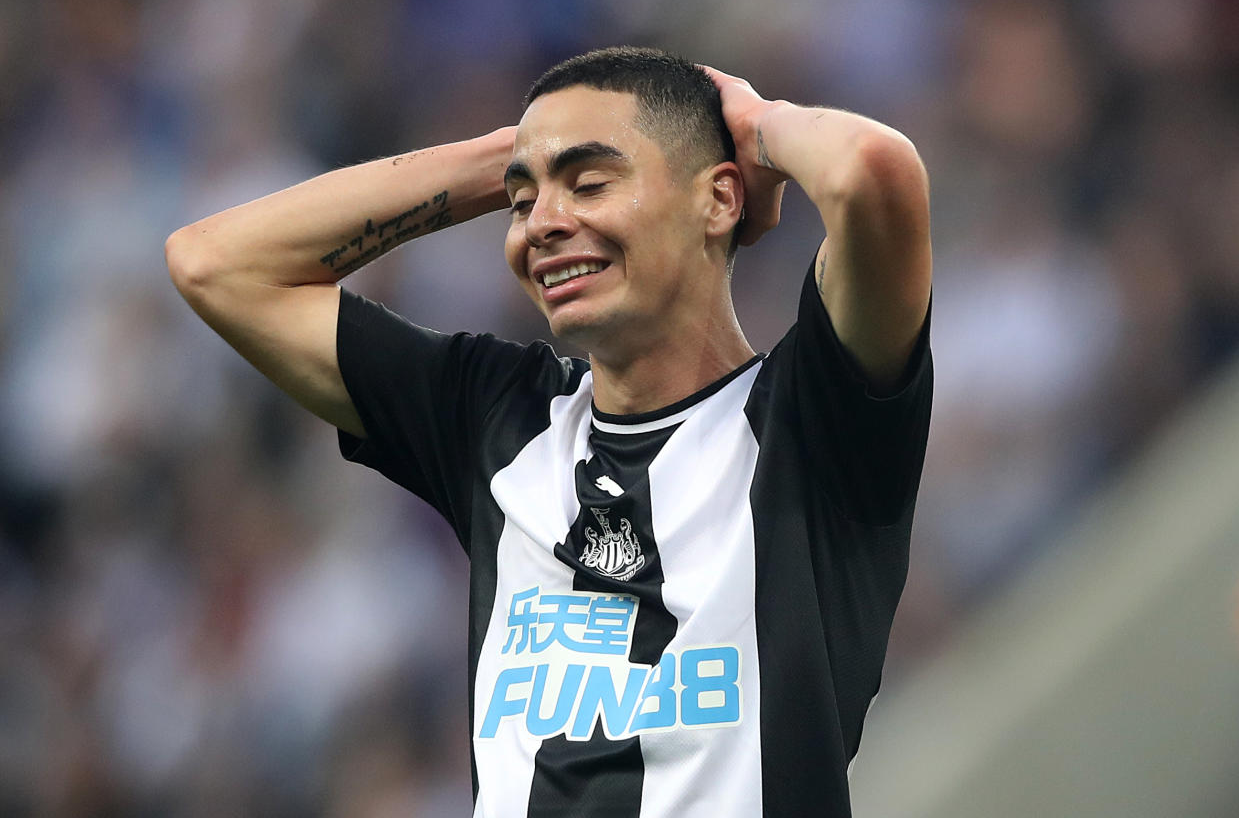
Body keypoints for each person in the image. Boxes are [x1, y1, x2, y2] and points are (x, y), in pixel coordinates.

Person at [166, 46, 932, 818]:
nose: (542, 226)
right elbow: (214, 263)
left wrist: (754, 125)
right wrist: (519, 150)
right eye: (522, 203)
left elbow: (873, 168)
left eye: (592, 182)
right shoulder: (499, 418)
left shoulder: (815, 423)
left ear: (719, 199)